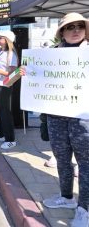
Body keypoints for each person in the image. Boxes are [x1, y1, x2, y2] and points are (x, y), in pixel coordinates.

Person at [34, 12, 89, 227]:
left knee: (86, 165)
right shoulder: (51, 54)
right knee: (62, 159)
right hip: (56, 117)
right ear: (62, 32)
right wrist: (25, 71)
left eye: (79, 26)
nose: (75, 30)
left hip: (83, 119)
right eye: (70, 27)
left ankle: (84, 209)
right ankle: (66, 197)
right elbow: (32, 75)